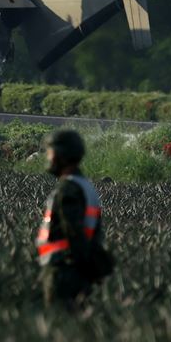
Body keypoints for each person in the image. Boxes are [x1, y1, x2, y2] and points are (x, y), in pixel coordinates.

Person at [36, 129, 113, 309]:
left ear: (62, 155)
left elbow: (74, 232)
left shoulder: (68, 189)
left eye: (50, 152)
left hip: (65, 270)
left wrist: (79, 268)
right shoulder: (83, 184)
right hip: (74, 270)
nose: (48, 158)